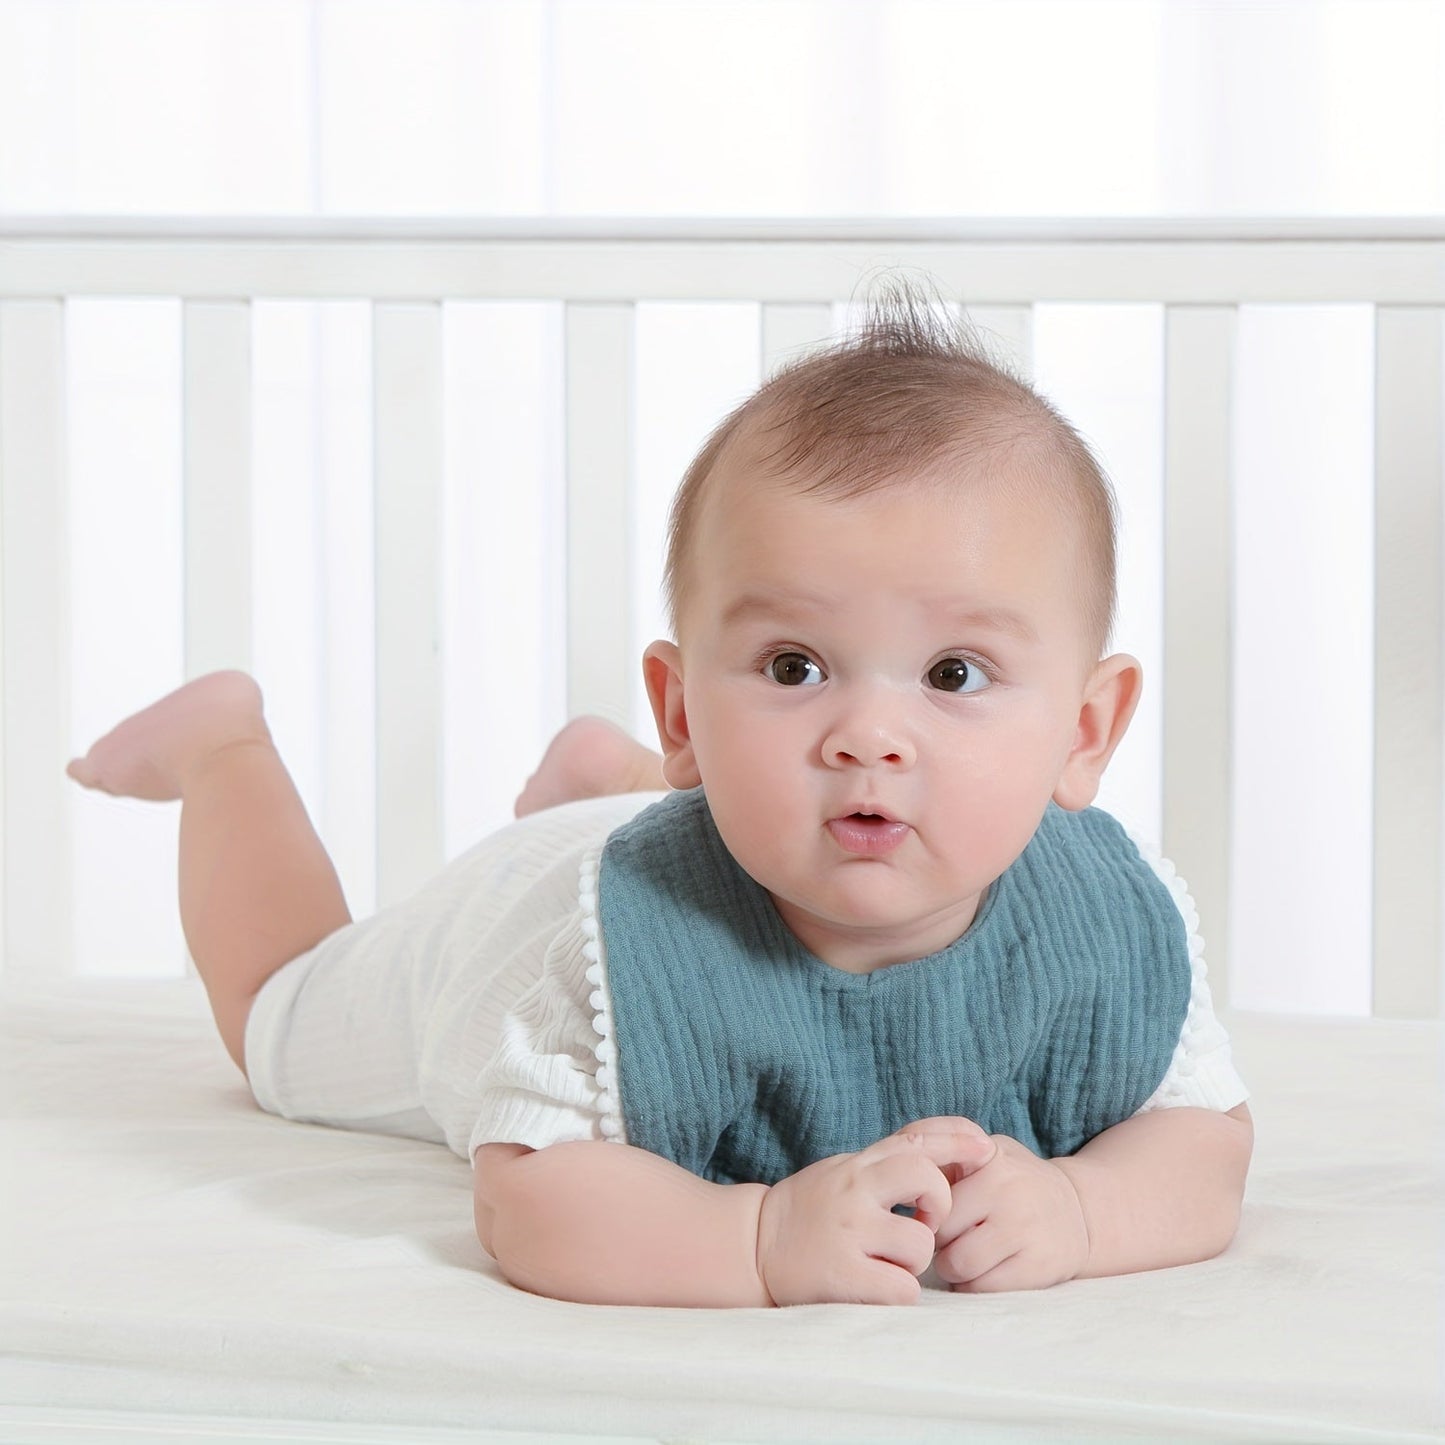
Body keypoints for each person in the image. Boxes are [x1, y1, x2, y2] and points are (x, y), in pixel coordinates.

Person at [68, 293, 1252, 1309]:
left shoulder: (1114, 919)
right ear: (682, 711)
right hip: (523, 911)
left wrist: (1085, 1208)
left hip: (722, 828)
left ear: (1084, 732)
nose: (867, 737)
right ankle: (225, 748)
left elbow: (1203, 1139)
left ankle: (603, 777)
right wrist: (758, 1240)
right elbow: (529, 1194)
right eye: (793, 666)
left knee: (748, 813)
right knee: (275, 1019)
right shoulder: (595, 955)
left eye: (953, 674)